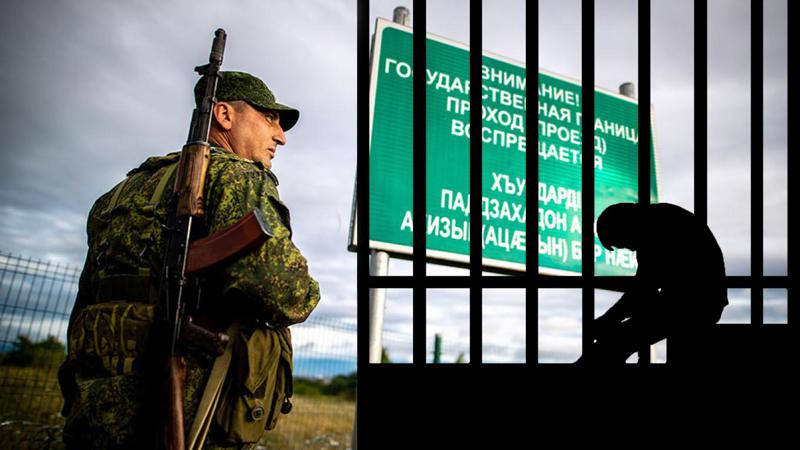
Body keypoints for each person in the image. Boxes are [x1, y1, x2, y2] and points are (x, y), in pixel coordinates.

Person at [58, 71, 321, 449]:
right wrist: (310, 290)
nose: (280, 135)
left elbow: (88, 299)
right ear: (224, 116)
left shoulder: (118, 193)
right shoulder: (237, 177)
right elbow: (286, 292)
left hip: (93, 412)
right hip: (184, 411)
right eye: (268, 118)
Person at [577, 202, 727, 365]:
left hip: (691, 303)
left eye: (623, 243)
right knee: (619, 341)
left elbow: (643, 288)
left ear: (624, 226)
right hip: (701, 301)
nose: (630, 249)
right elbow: (645, 289)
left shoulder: (653, 230)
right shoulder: (660, 219)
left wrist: (609, 319)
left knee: (613, 344)